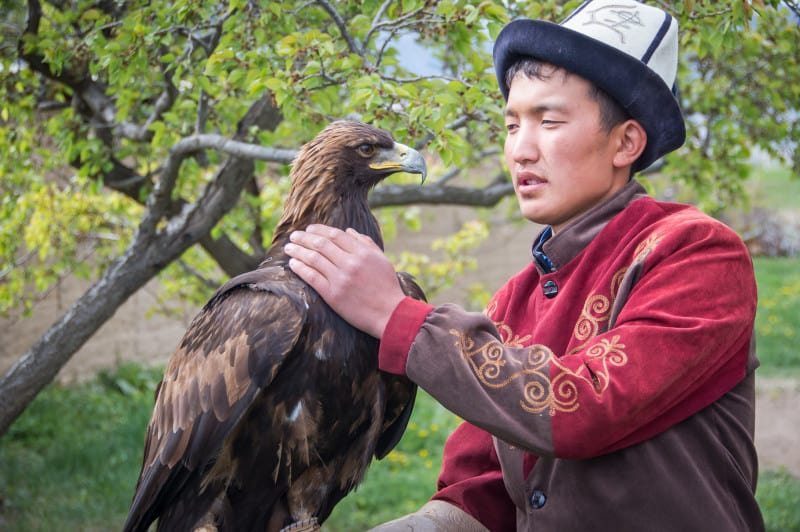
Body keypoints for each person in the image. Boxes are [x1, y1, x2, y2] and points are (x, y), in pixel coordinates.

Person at [284, 0, 765, 530]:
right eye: (512, 125)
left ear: (626, 142)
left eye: (549, 121)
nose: (521, 150)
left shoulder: (696, 252)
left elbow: (584, 406)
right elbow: (481, 491)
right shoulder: (514, 299)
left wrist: (395, 316)